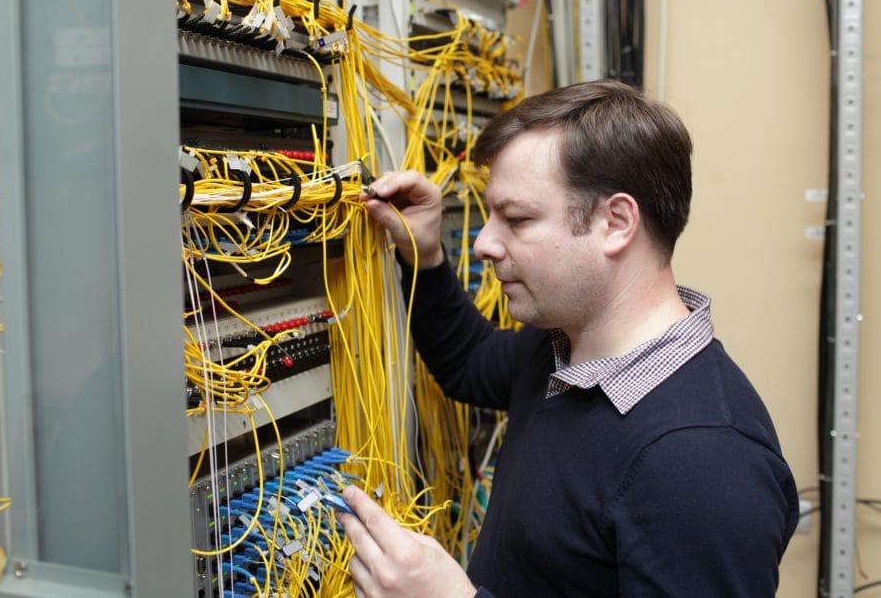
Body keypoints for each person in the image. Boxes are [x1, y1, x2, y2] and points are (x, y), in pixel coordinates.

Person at [339, 79, 799, 597]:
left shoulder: (702, 460)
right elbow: (469, 362)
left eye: (517, 219)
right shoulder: (565, 348)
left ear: (616, 222)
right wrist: (424, 255)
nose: (485, 243)